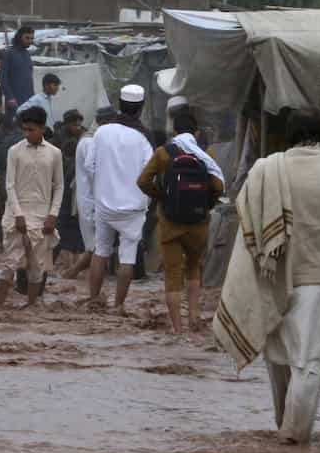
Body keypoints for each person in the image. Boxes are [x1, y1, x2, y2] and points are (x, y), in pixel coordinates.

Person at [215, 110, 320, 445]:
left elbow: (249, 225)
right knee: (309, 364)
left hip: (273, 278)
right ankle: (294, 438)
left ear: (289, 134)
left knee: (278, 359)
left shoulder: (267, 169)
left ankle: (282, 429)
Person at [136, 112, 225, 335]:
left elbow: (142, 181)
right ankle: (194, 317)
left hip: (170, 223)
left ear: (174, 132)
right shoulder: (206, 154)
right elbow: (218, 186)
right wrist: (206, 205)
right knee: (194, 268)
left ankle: (178, 330)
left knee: (173, 274)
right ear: (196, 133)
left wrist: (162, 197)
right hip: (198, 223)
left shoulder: (163, 153)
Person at [84, 84, 154, 316]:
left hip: (104, 205)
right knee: (127, 257)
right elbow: (149, 173)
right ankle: (118, 306)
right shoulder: (144, 138)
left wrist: (99, 190)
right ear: (140, 108)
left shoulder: (103, 132)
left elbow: (89, 166)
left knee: (100, 251)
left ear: (120, 105)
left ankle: (93, 300)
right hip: (133, 209)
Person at [0, 106, 64, 308]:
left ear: (42, 128)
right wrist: (18, 214)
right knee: (10, 263)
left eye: (31, 129)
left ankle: (31, 307)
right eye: (24, 129)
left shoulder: (55, 153)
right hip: (16, 213)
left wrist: (53, 214)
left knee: (37, 267)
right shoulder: (14, 151)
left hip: (42, 215)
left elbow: (59, 186)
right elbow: (10, 185)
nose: (27, 134)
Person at [63, 106, 116, 280]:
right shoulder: (88, 142)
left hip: (96, 200)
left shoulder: (96, 140)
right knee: (95, 247)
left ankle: (77, 274)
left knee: (97, 246)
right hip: (91, 201)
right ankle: (74, 274)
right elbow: (94, 171)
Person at [53, 109, 88, 266]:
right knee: (63, 225)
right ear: (67, 124)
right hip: (63, 190)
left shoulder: (85, 138)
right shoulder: (58, 140)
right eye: (75, 124)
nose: (78, 127)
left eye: (80, 124)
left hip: (79, 193)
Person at [0, 26, 35, 113]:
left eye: (31, 38)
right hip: (14, 101)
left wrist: (33, 98)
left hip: (28, 99)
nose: (30, 41)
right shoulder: (9, 53)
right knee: (15, 125)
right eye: (27, 38)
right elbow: (3, 77)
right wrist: (10, 97)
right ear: (19, 37)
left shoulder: (27, 54)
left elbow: (29, 77)